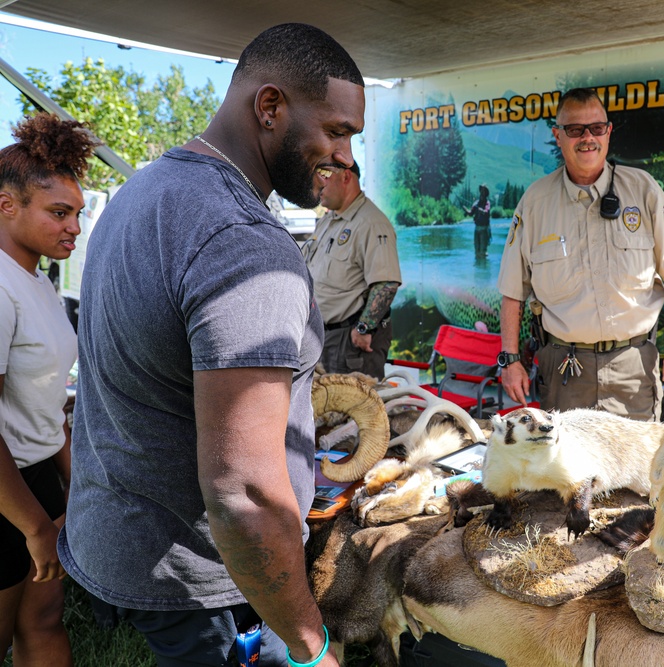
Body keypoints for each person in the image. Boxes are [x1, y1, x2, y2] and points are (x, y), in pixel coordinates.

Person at [58, 23, 365, 667]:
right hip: (198, 574)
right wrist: (312, 649)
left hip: (128, 539)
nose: (342, 155)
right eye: (335, 131)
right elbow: (246, 495)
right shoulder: (241, 240)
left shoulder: (145, 190)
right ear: (270, 106)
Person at [497, 87, 664, 422]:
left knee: (635, 472)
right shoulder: (535, 203)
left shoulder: (643, 190)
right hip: (565, 373)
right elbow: (512, 291)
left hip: (633, 372)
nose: (587, 138)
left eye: (596, 128)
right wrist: (510, 360)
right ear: (558, 136)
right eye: (575, 130)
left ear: (608, 132)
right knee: (567, 473)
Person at [0, 113, 95, 667]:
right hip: (7, 495)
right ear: (6, 205)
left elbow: (45, 406)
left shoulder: (34, 279)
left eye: (77, 213)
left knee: (41, 621)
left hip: (35, 480)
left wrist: (69, 483)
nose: (74, 227)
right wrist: (34, 525)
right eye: (59, 213)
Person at [306, 161, 401, 379]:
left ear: (346, 177)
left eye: (325, 176)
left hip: (349, 343)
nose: (318, 184)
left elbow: (387, 284)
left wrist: (364, 328)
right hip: (321, 336)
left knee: (351, 411)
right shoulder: (328, 220)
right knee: (322, 411)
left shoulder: (371, 223)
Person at [466, 184, 491, 259]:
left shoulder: (487, 203)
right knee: (477, 251)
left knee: (483, 252)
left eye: (484, 191)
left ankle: (483, 269)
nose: (482, 192)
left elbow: (487, 211)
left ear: (486, 193)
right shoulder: (476, 203)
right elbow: (471, 213)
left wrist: (480, 210)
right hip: (477, 229)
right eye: (481, 191)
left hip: (484, 229)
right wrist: (465, 209)